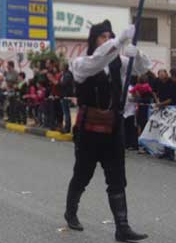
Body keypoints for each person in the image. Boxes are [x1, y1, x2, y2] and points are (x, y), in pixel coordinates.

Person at [64, 20, 151, 242]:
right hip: (88, 130)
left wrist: (136, 53)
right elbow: (98, 59)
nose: (107, 40)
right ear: (94, 40)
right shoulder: (81, 63)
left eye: (109, 36)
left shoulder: (118, 62)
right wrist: (119, 40)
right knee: (82, 175)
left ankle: (122, 227)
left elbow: (142, 68)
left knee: (117, 178)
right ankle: (71, 211)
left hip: (113, 128)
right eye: (103, 37)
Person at [154, 69, 176, 160]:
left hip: (171, 108)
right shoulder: (158, 82)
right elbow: (155, 92)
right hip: (162, 108)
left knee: (170, 131)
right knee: (163, 130)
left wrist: (160, 104)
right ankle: (165, 151)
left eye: (163, 77)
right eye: (160, 77)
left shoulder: (172, 83)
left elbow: (172, 98)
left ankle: (171, 153)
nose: (162, 79)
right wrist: (157, 101)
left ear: (166, 75)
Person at [59, 63, 75, 133]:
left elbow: (64, 84)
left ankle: (67, 128)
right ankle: (66, 127)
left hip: (66, 95)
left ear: (64, 67)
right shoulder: (65, 74)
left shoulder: (67, 75)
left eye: (61, 66)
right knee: (65, 111)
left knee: (66, 112)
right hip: (64, 95)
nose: (60, 67)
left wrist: (58, 83)